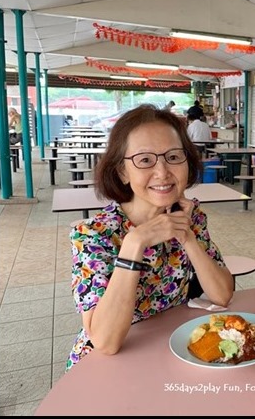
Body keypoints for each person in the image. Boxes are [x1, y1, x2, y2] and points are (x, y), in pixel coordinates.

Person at [66, 104, 233, 370]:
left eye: (174, 157)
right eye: (145, 160)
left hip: (168, 350)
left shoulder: (191, 214)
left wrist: (186, 234)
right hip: (105, 366)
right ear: (122, 171)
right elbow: (105, 342)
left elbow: (222, 295)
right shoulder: (93, 235)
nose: (163, 172)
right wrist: (134, 243)